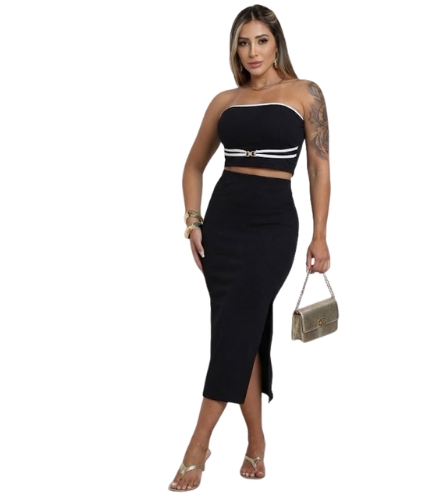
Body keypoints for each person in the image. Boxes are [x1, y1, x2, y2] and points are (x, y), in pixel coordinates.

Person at [169, 4, 331, 492]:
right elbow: (193, 165)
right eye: (243, 42)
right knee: (242, 330)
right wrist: (194, 223)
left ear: (277, 43)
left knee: (235, 329)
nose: (252, 51)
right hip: (224, 226)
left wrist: (320, 234)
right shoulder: (225, 101)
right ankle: (256, 442)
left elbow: (319, 168)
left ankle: (198, 445)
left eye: (261, 40)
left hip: (273, 227)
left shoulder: (305, 93)